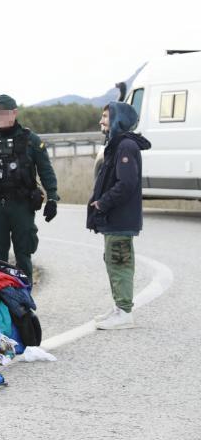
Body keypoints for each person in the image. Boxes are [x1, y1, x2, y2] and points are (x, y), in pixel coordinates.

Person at [0, 94, 59, 284]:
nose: (1, 117)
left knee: (23, 254)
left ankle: (25, 303)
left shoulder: (31, 140)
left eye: (4, 113)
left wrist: (53, 198)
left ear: (14, 113)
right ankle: (1, 301)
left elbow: (46, 170)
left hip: (22, 205)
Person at [87, 102, 150, 330]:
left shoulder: (125, 146)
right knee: (114, 261)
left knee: (120, 262)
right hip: (114, 219)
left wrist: (103, 202)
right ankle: (118, 308)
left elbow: (127, 183)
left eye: (105, 116)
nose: (101, 121)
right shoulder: (117, 145)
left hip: (121, 218)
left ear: (117, 119)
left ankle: (124, 313)